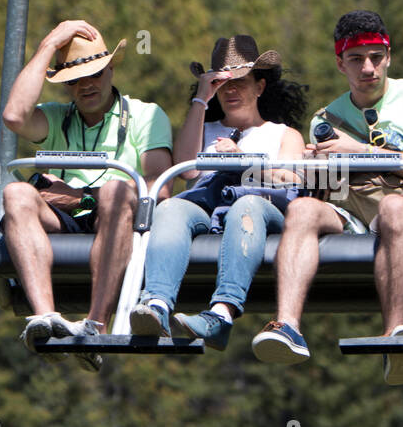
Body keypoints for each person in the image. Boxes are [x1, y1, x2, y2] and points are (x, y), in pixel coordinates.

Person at [251, 10, 403, 384]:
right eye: (356, 59)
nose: (368, 68)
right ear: (339, 63)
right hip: (350, 204)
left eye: (376, 57)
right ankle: (287, 325)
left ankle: (395, 332)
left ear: (389, 56)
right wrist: (308, 165)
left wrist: (360, 151)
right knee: (301, 208)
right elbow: (316, 183)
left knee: (395, 209)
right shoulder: (328, 116)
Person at [1, 19, 172, 369]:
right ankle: (46, 317)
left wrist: (83, 199)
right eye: (75, 79)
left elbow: (159, 187)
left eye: (94, 74)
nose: (86, 85)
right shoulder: (56, 118)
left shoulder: (145, 115)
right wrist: (49, 44)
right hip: (61, 218)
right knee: (17, 193)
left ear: (110, 69)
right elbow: (15, 116)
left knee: (115, 189)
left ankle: (95, 324)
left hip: (118, 215)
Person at [129, 36, 308, 350]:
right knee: (170, 208)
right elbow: (186, 170)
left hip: (258, 208)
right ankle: (156, 303)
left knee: (246, 205)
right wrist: (201, 99)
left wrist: (242, 161)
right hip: (207, 208)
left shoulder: (282, 134)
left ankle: (222, 312)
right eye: (222, 84)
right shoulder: (205, 130)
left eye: (240, 82)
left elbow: (291, 178)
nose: (231, 91)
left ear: (260, 87)